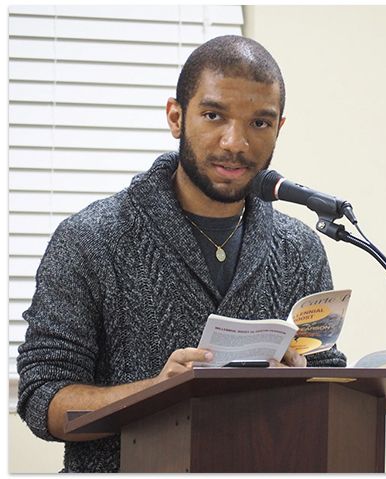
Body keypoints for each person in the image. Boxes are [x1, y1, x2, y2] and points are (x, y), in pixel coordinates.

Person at [15, 35, 347, 473]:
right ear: (176, 117)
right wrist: (159, 393)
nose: (236, 143)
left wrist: (299, 382)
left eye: (259, 123)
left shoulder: (299, 249)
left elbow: (327, 380)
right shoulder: (89, 239)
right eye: (213, 115)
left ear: (278, 128)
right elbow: (44, 399)